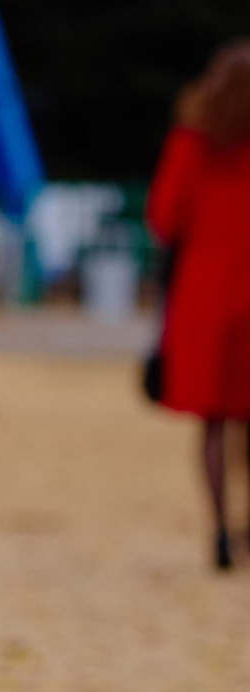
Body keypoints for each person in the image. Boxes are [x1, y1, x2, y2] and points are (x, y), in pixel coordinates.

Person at [145, 38, 250, 573]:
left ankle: (219, 531)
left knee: (212, 423)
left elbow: (165, 218)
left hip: (205, 297)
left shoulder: (193, 142)